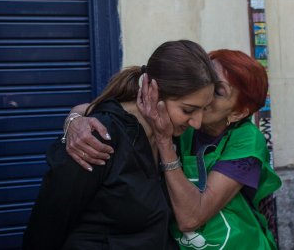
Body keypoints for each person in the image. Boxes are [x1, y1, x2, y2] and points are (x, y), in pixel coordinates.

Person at [64, 49, 281, 249]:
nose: (205, 93)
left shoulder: (246, 140)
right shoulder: (182, 116)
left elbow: (191, 218)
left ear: (238, 113)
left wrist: (165, 143)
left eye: (218, 92)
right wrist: (74, 121)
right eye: (208, 82)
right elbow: (109, 112)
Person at [22, 40, 218, 249]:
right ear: (153, 92)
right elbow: (46, 228)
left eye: (203, 109)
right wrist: (74, 119)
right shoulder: (97, 137)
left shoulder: (169, 134)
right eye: (188, 110)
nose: (197, 123)